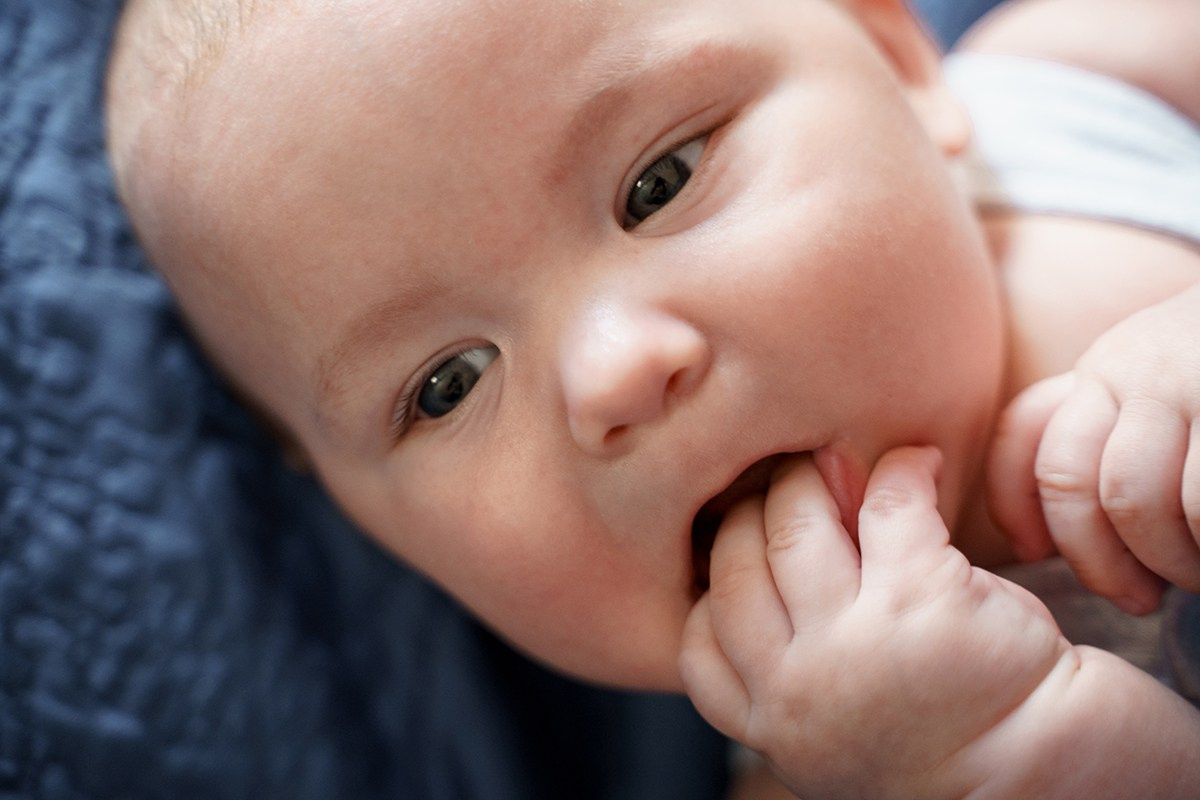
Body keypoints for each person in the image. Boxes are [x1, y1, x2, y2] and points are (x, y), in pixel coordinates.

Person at [104, 0, 1200, 796]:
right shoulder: (838, 764)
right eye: (448, 384)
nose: (613, 372)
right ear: (361, 519)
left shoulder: (1085, 84)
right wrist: (1006, 761)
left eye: (657, 183)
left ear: (892, 56)